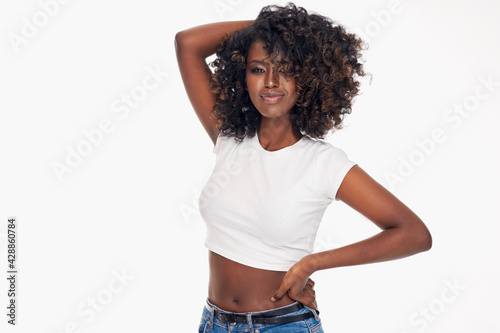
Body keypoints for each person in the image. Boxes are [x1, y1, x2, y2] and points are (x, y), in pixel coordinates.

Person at [175, 3, 432, 332]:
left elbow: (413, 234)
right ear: (243, 75)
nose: (270, 82)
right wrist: (272, 28)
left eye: (286, 68)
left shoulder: (323, 163)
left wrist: (312, 263)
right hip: (213, 322)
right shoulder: (229, 138)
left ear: (308, 78)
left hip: (282, 325)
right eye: (257, 69)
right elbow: (187, 44)